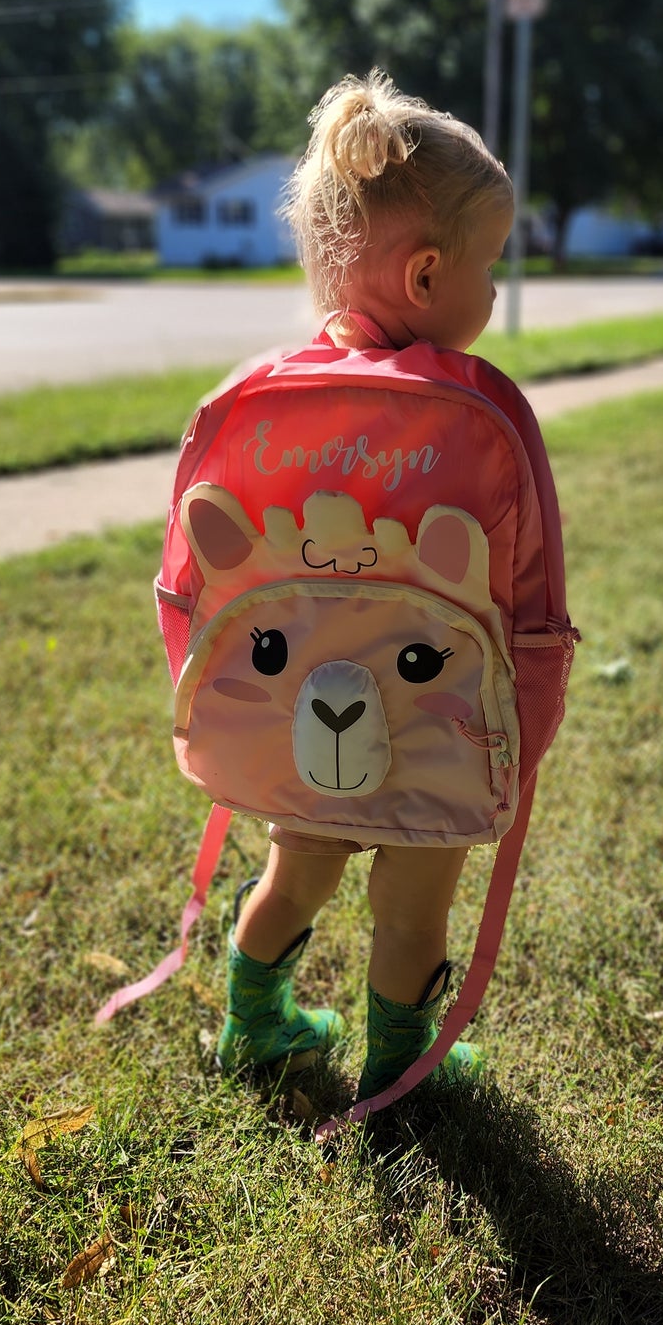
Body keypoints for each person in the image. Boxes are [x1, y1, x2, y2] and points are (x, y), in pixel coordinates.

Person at [213, 70, 552, 1103]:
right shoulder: (474, 411)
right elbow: (526, 602)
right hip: (433, 718)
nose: (493, 291)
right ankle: (402, 1064)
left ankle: (253, 1023)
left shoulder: (265, 403)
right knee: (411, 907)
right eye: (487, 266)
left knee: (293, 871)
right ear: (424, 275)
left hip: (294, 711)